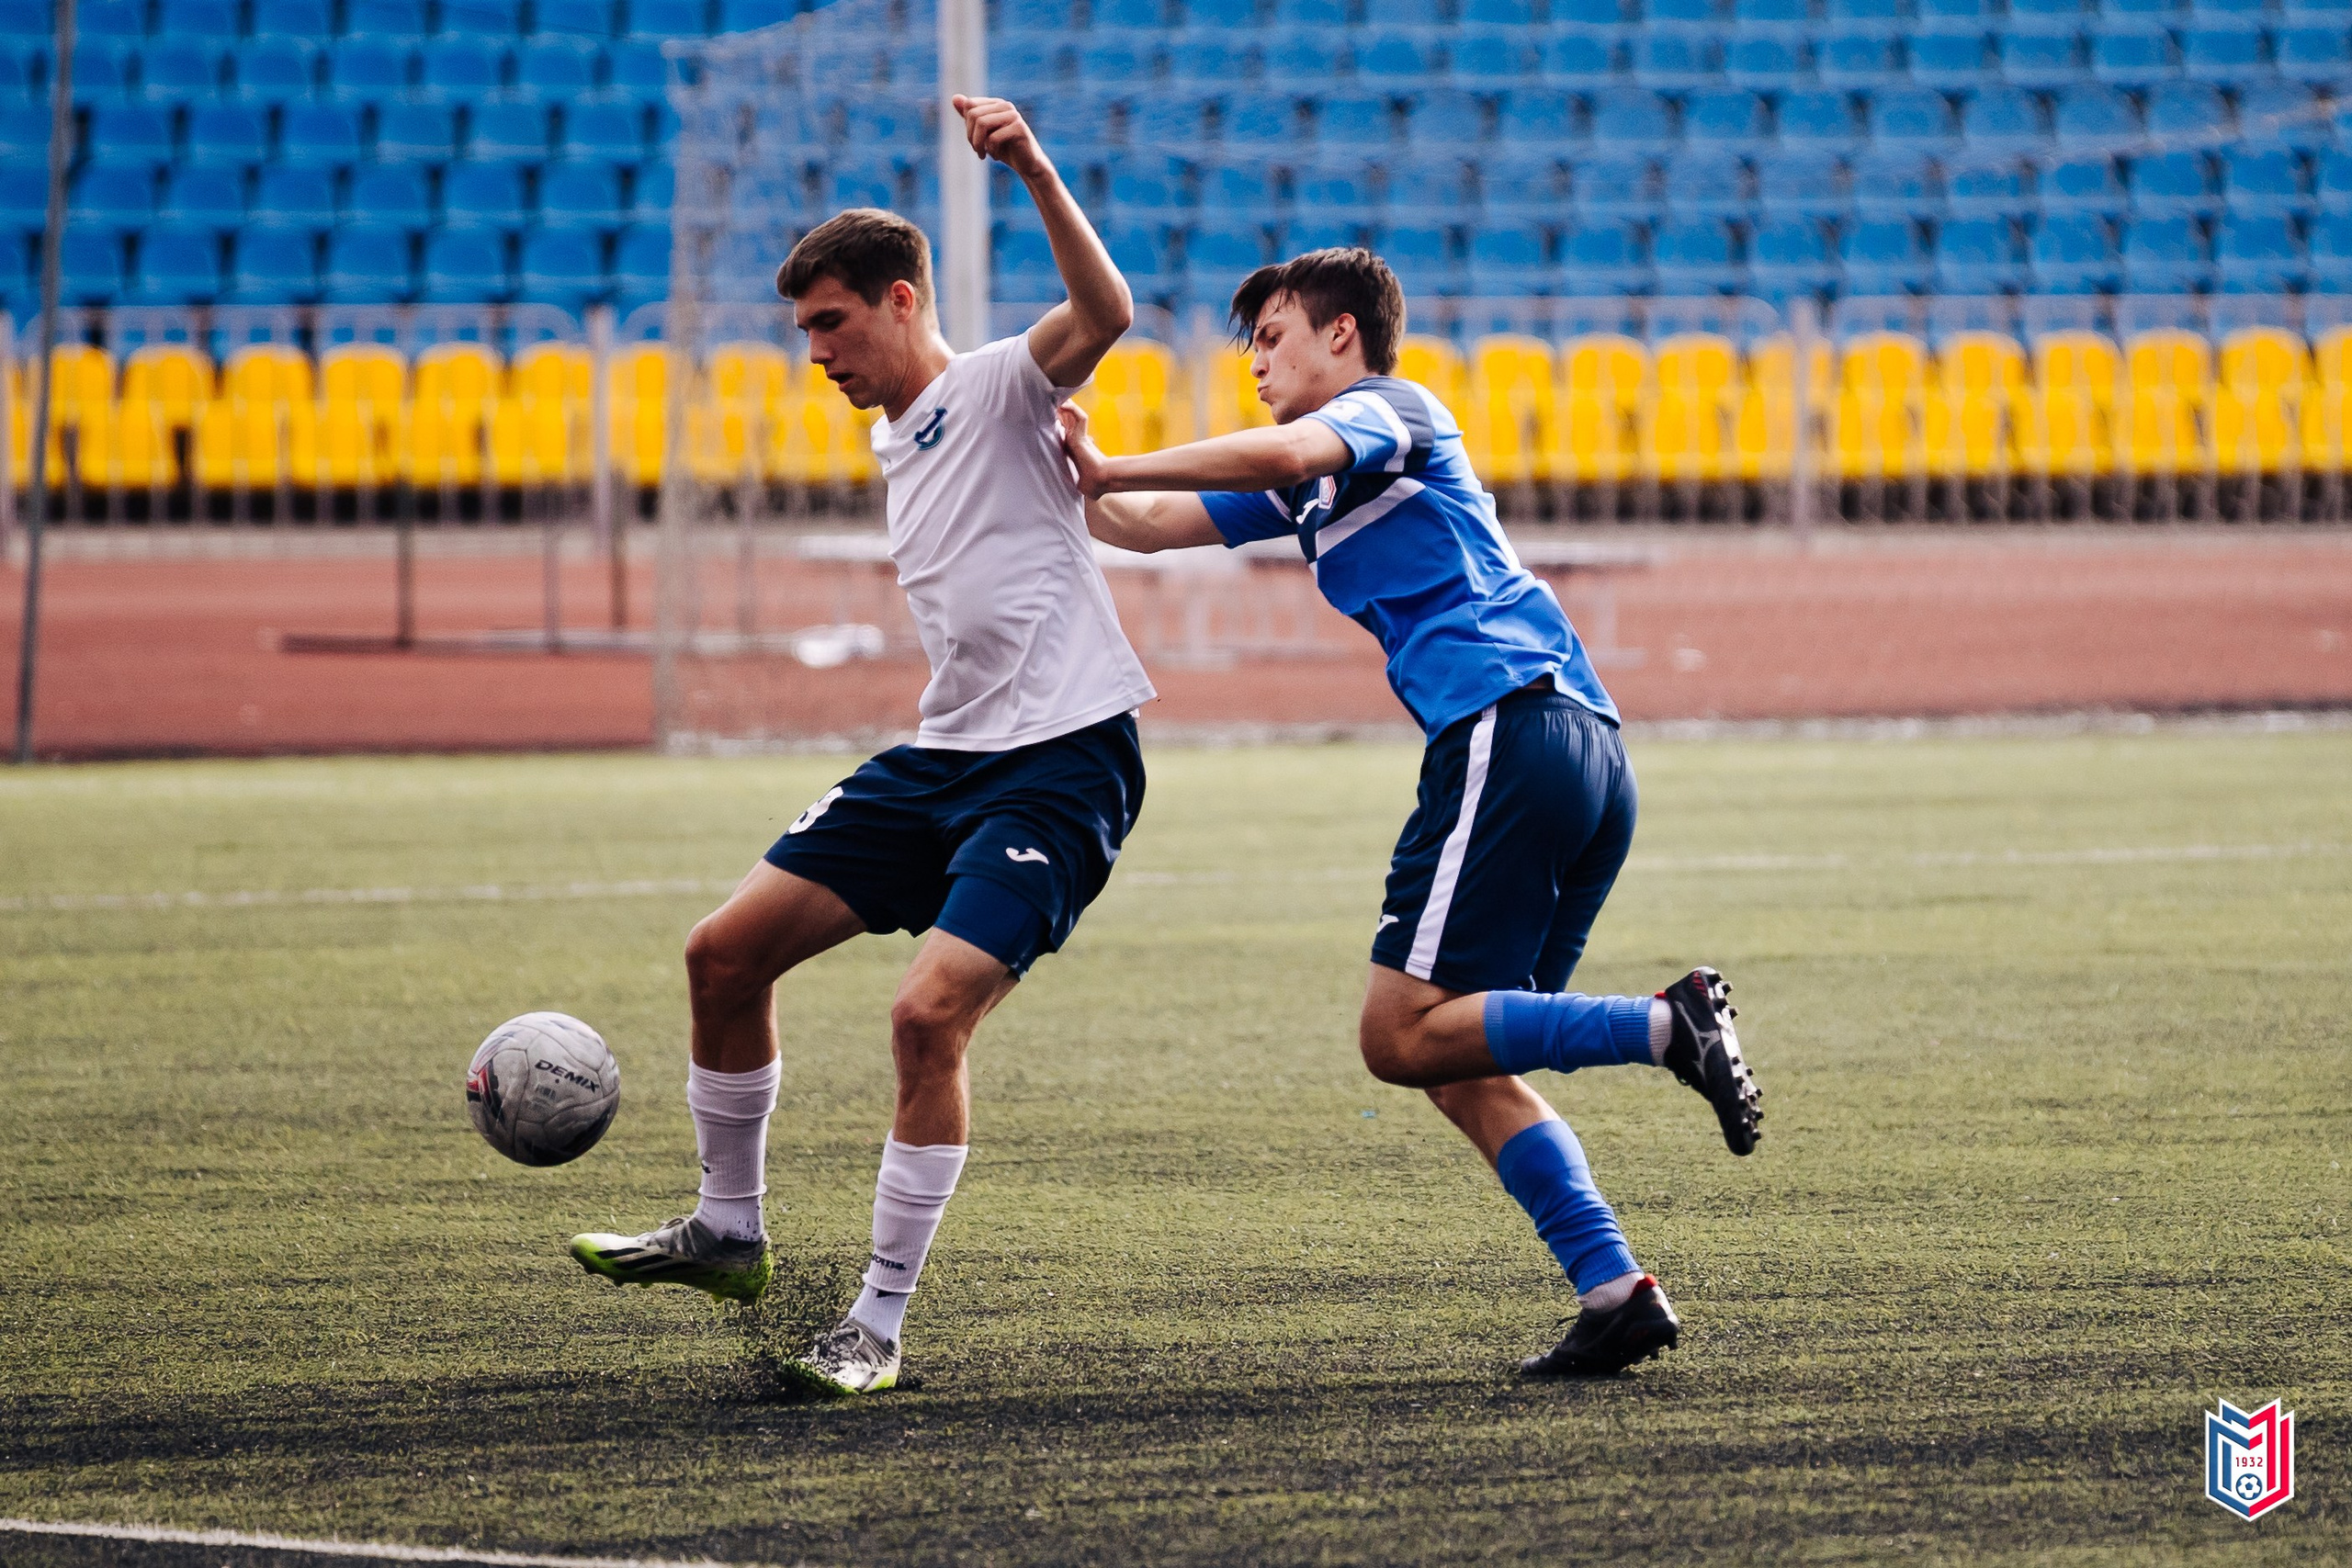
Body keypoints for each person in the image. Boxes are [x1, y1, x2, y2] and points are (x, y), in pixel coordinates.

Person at [1057, 247, 1763, 1377]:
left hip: (1505, 731)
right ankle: (1615, 1292)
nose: (1254, 360)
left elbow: (1281, 447)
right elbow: (1143, 525)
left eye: (1272, 335)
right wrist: (1059, 461)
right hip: (1572, 745)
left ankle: (1665, 1024)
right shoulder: (1307, 482)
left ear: (1342, 336)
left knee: (1396, 1037)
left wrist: (1107, 467)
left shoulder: (1390, 408)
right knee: (1456, 1054)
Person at [568, 96, 1154, 1397]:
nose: (814, 350)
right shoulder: (898, 437)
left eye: (829, 321)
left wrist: (1033, 167)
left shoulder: (999, 383)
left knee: (925, 1012)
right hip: (943, 758)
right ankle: (729, 1229)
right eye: (803, 330)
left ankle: (875, 1325)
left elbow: (1105, 314)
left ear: (899, 299)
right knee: (723, 952)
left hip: (1063, 759)